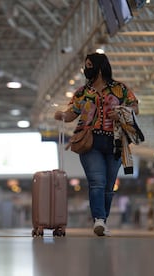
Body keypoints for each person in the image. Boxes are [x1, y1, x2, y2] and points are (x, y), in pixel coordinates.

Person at [54, 52, 139, 237]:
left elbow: (135, 108)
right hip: (89, 142)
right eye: (86, 65)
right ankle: (98, 219)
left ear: (100, 67)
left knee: (109, 186)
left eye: (89, 65)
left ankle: (103, 221)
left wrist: (121, 112)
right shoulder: (82, 92)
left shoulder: (120, 89)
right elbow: (71, 114)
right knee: (97, 182)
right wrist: (61, 115)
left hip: (115, 142)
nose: (86, 69)